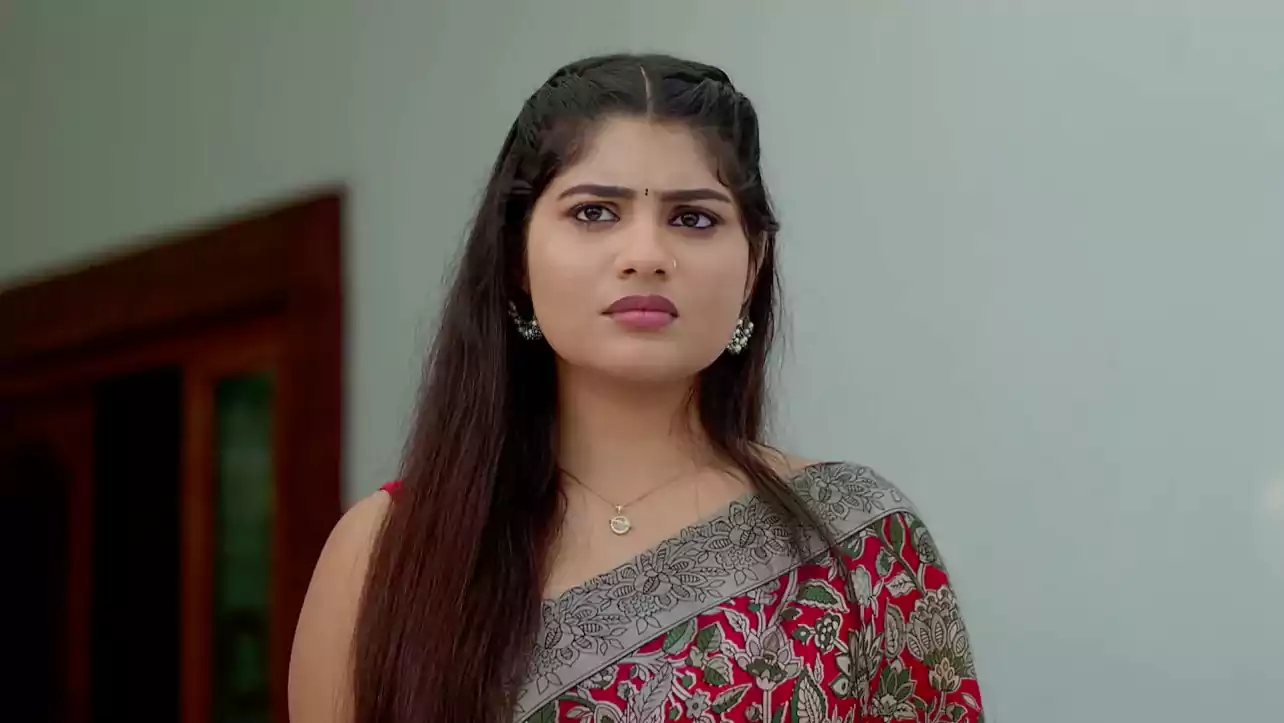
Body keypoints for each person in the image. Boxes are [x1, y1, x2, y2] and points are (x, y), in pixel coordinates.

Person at [289, 53, 984, 723]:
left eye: (694, 218)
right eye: (594, 212)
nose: (646, 255)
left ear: (752, 266)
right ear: (516, 259)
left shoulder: (858, 540)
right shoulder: (387, 552)